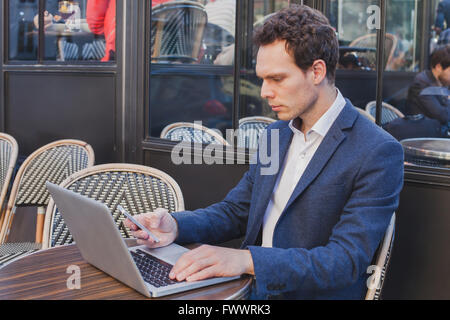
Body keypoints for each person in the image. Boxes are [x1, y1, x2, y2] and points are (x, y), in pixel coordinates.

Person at [125, 5, 404, 300]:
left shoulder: (377, 151)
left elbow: (345, 261)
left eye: (277, 79)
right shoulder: (277, 134)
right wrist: (176, 224)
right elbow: (236, 211)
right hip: (249, 292)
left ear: (317, 71)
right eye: (262, 78)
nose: (264, 91)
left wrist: (246, 260)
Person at [405, 45, 450, 137]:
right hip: (424, 138)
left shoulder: (441, 81)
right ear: (438, 67)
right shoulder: (421, 83)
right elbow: (442, 116)